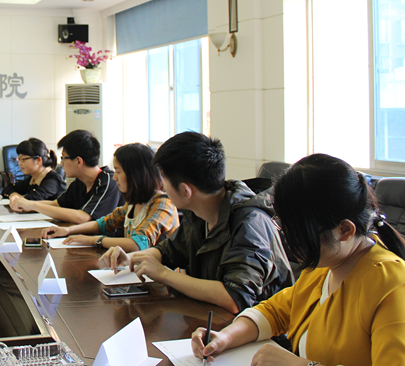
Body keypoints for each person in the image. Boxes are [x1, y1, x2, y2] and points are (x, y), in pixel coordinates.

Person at [191, 154, 405, 366]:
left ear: (345, 230)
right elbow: (275, 311)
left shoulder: (392, 286)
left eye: (300, 233)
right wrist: (225, 337)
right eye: (284, 227)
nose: (288, 242)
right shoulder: (326, 264)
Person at [99, 131, 293, 314]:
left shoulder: (250, 224)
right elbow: (169, 250)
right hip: (212, 321)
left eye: (164, 179)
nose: (162, 186)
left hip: (256, 331)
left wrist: (163, 274)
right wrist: (132, 258)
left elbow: (235, 298)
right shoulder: (198, 213)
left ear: (186, 191)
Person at [42, 142, 179, 250]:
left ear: (136, 174)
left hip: (159, 275)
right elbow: (105, 223)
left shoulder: (162, 202)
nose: (115, 178)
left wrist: (93, 240)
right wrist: (68, 230)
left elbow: (138, 244)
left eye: (118, 172)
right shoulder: (134, 202)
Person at [9, 130, 121, 223]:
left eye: (63, 158)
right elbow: (56, 204)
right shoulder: (79, 183)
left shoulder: (109, 181)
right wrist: (25, 204)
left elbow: (83, 217)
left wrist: (32, 205)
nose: (61, 163)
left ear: (78, 161)